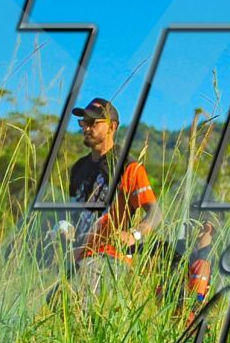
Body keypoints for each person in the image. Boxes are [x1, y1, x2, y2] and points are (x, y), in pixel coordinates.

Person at [60, 96, 162, 297]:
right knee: (54, 306)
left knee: (81, 305)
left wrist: (134, 235)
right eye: (83, 122)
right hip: (78, 257)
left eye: (92, 122)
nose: (86, 127)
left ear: (112, 127)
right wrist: (64, 229)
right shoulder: (78, 168)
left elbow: (155, 214)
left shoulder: (128, 167)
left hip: (110, 258)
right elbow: (74, 215)